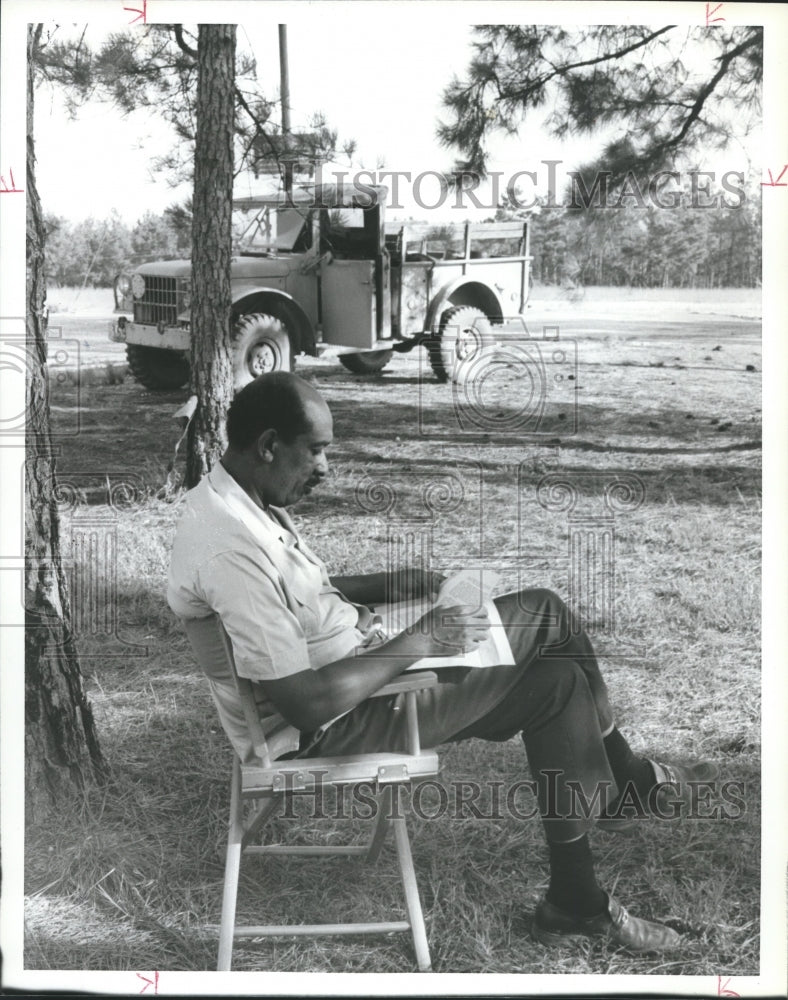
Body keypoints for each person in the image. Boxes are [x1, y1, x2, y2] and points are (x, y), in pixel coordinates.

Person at [167, 371, 718, 955]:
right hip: (334, 722)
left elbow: (296, 598)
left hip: (361, 679)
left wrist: (394, 583)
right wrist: (422, 639)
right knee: (547, 614)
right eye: (318, 451)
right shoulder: (231, 546)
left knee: (558, 680)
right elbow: (304, 702)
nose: (325, 468)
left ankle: (574, 898)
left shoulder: (237, 500)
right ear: (270, 445)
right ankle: (625, 784)